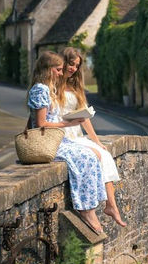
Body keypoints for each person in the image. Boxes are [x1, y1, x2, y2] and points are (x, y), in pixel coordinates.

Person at [27, 51, 106, 234]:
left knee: (94, 154)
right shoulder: (41, 89)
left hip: (57, 138)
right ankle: (85, 210)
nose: (62, 74)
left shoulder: (49, 88)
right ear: (48, 70)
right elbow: (40, 124)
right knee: (85, 157)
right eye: (58, 70)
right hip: (48, 141)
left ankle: (90, 208)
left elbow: (34, 118)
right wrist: (67, 123)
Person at [57, 47, 126, 227]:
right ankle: (96, 207)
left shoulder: (75, 86)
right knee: (93, 157)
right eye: (71, 64)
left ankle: (111, 206)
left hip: (76, 134)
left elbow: (84, 117)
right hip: (61, 135)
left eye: (76, 66)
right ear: (63, 61)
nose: (73, 69)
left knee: (104, 155)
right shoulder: (53, 84)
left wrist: (96, 141)